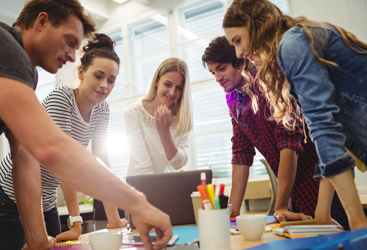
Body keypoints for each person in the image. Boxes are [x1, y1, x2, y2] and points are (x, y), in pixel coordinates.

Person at [0, 0, 172, 249]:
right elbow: (53, 149)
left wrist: (37, 236)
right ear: (42, 21)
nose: (71, 56)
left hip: (44, 199)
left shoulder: (27, 73)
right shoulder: (2, 44)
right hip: (5, 197)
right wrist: (140, 206)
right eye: (69, 41)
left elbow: (24, 153)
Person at [222, 0, 367, 230]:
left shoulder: (292, 45)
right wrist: (323, 211)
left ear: (256, 24)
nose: (239, 52)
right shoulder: (293, 46)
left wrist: (357, 222)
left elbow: (324, 128)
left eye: (238, 40)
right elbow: (336, 136)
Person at [0, 33, 129, 249]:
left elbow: (102, 163)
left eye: (111, 80)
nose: (104, 85)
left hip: (46, 201)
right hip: (9, 196)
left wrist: (115, 220)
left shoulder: (102, 109)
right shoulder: (62, 98)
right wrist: (76, 220)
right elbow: (65, 162)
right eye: (98, 76)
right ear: (81, 72)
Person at [202, 36, 349, 229]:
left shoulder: (269, 83)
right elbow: (241, 153)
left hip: (325, 184)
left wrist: (279, 205)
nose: (218, 78)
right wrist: (233, 211)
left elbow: (288, 143)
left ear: (240, 61)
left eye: (222, 68)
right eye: (213, 72)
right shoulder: (233, 100)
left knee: (342, 240)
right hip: (294, 192)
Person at [123, 58, 193, 176]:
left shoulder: (183, 117)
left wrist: (164, 133)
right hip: (138, 186)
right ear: (156, 81)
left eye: (179, 88)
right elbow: (143, 166)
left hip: (165, 186)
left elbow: (179, 164)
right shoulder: (133, 113)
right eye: (167, 84)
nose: (172, 92)